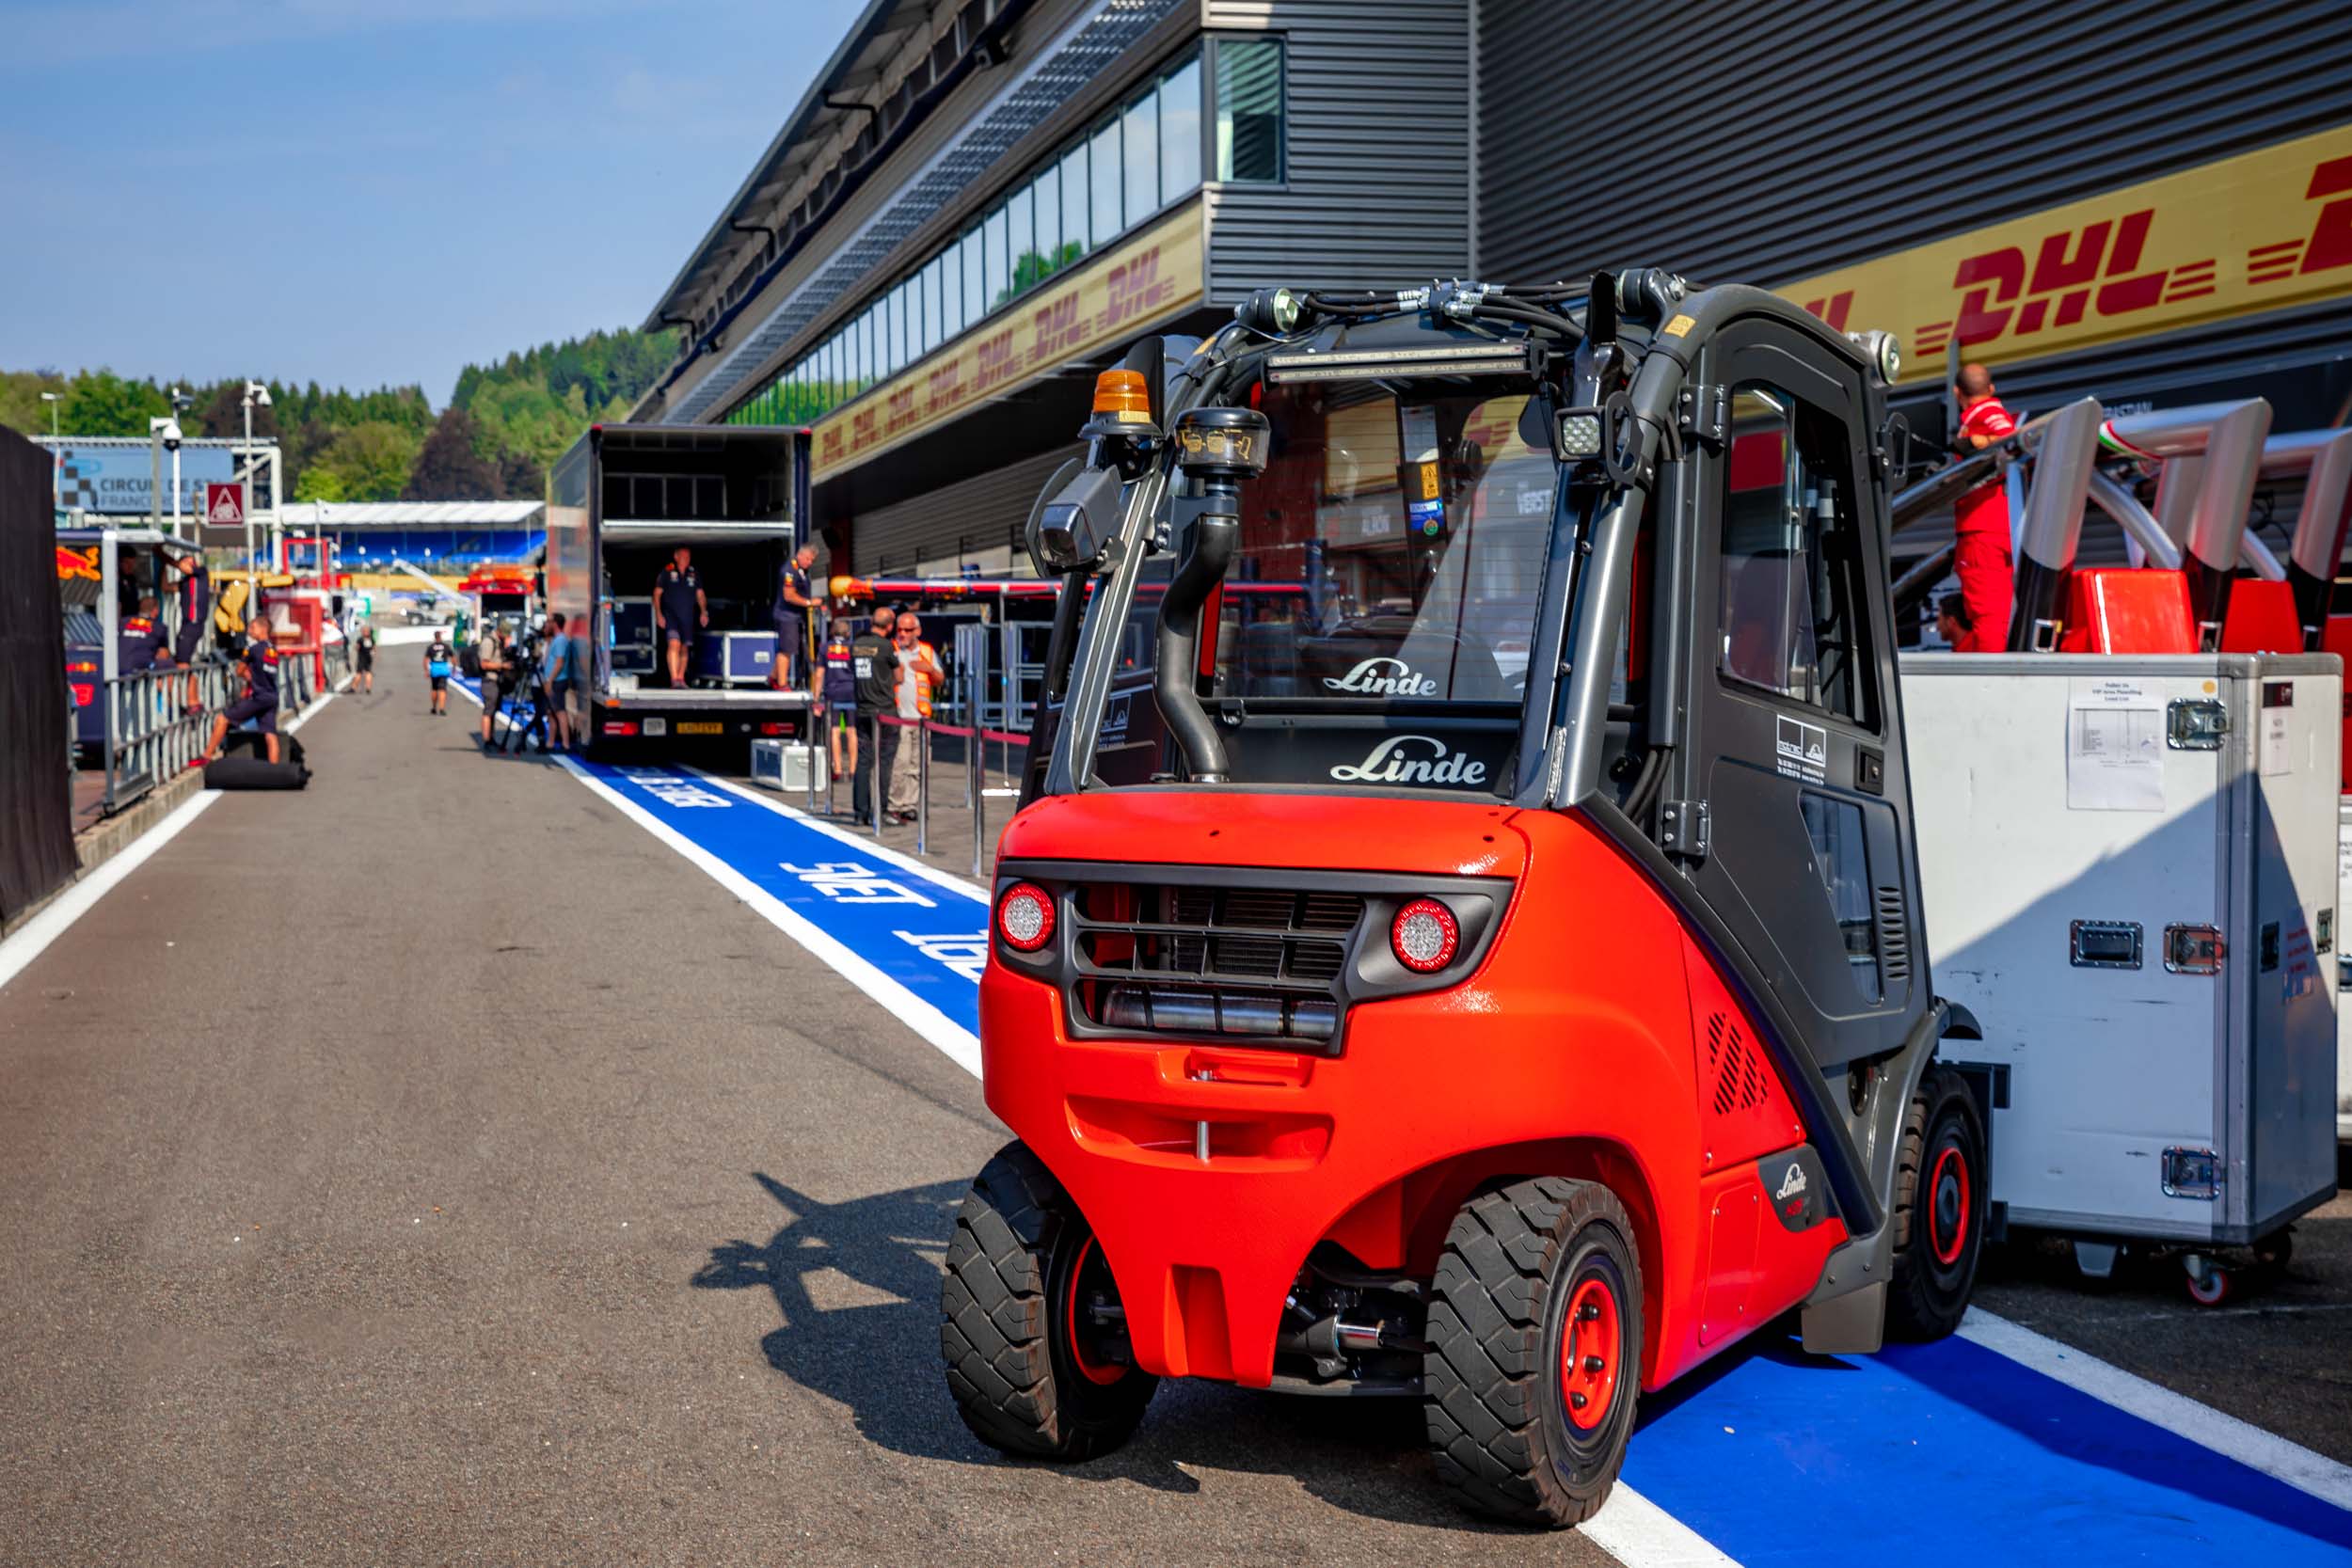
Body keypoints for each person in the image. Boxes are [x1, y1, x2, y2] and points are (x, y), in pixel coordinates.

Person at [1950, 362, 2019, 653]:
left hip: (1983, 532)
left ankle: (1995, 684)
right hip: (1995, 527)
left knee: (1988, 617)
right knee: (1994, 615)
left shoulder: (1986, 412)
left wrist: (1979, 442)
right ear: (1990, 387)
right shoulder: (1978, 416)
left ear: (1956, 392)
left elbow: (2011, 438)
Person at [886, 610, 944, 823]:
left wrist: (929, 669)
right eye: (899, 629)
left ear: (917, 631)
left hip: (921, 719)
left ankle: (910, 804)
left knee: (918, 765)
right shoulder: (891, 651)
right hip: (899, 718)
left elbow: (939, 680)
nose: (902, 634)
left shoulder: (927, 652)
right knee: (898, 764)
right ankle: (895, 804)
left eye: (907, 630)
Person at [203, 614, 281, 765]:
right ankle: (275, 769)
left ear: (263, 629)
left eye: (253, 627)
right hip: (272, 696)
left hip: (258, 696)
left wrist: (246, 674)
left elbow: (239, 670)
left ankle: (206, 756)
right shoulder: (272, 650)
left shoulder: (253, 649)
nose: (249, 631)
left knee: (223, 719)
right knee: (270, 734)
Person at [850, 603, 901, 826]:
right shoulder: (887, 646)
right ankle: (880, 810)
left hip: (863, 709)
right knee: (884, 762)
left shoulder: (857, 645)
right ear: (889, 626)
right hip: (885, 710)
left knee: (863, 761)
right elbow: (898, 677)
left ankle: (860, 811)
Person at [161, 547, 210, 714]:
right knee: (182, 661)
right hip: (187, 625)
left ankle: (188, 701)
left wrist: (162, 555)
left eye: (191, 561)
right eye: (187, 560)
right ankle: (190, 699)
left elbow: (184, 568)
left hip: (193, 624)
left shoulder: (201, 573)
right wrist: (162, 566)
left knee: (182, 663)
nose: (190, 564)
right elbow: (166, 587)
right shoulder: (185, 583)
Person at [654, 546, 706, 689]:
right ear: (676, 557)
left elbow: (700, 594)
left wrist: (703, 611)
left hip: (688, 618)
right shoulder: (667, 571)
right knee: (673, 644)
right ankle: (674, 678)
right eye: (683, 556)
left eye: (688, 557)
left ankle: (681, 678)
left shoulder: (693, 573)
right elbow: (657, 593)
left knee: (684, 648)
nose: (686, 559)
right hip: (671, 616)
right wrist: (658, 613)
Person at [773, 543, 819, 689]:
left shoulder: (801, 570)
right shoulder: (790, 570)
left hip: (797, 617)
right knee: (786, 650)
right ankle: (782, 684)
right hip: (787, 616)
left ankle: (773, 677)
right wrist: (808, 602)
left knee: (794, 647)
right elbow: (789, 595)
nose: (810, 563)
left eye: (812, 560)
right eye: (808, 559)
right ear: (800, 555)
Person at [821, 617, 857, 790]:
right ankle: (853, 769)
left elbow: (820, 672)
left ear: (832, 631)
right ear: (848, 632)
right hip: (851, 689)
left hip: (832, 690)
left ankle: (837, 767)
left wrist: (815, 697)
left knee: (834, 730)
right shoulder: (853, 647)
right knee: (851, 730)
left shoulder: (824, 647)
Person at [543, 610, 583, 751]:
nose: (547, 624)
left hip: (558, 680)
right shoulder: (557, 639)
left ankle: (565, 743)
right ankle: (551, 741)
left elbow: (559, 662)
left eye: (549, 621)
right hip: (555, 680)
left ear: (555, 624)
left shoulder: (560, 640)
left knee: (560, 712)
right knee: (552, 712)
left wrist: (550, 680)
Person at [477, 625, 512, 751]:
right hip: (489, 680)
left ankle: (491, 738)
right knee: (488, 711)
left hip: (496, 681)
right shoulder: (489, 642)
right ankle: (487, 740)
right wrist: (502, 665)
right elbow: (484, 664)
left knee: (493, 711)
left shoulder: (498, 642)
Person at [423, 627, 454, 716]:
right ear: (440, 637)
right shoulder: (446, 646)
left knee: (434, 688)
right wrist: (455, 668)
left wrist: (426, 670)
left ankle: (434, 707)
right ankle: (441, 708)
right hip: (443, 668)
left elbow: (426, 660)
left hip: (434, 668)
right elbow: (453, 658)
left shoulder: (430, 647)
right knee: (442, 689)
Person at [354, 620, 376, 695]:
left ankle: (354, 687)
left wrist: (357, 648)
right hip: (368, 658)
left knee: (359, 673)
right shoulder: (371, 639)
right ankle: (368, 688)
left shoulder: (360, 639)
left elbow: (357, 647)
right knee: (368, 672)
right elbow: (374, 649)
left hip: (362, 658)